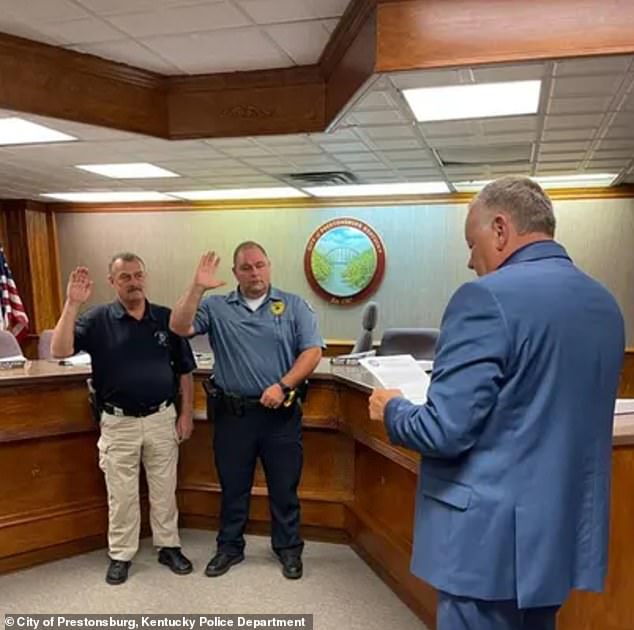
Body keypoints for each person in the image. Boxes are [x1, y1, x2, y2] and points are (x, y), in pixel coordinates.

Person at [368, 177, 625, 630]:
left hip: (487, 546)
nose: (471, 260)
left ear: (501, 229)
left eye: (473, 242)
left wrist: (392, 409)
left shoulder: (485, 298)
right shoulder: (604, 303)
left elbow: (443, 430)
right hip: (559, 533)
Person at [170, 241, 322, 580]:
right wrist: (196, 286)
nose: (255, 273)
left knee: (284, 486)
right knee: (233, 485)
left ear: (269, 265)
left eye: (260, 265)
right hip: (232, 414)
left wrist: (282, 385)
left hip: (280, 413)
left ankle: (287, 548)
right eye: (246, 267)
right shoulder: (217, 307)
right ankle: (229, 547)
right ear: (235, 273)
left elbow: (312, 352)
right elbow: (179, 327)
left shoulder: (294, 306)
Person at [51, 252, 195, 585]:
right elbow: (59, 351)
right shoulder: (97, 319)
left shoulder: (166, 319)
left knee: (164, 490)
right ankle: (121, 554)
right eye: (125, 277)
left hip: (162, 417)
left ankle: (168, 546)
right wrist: (72, 305)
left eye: (138, 275)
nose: (133, 282)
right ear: (112, 282)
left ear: (145, 277)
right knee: (122, 495)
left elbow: (185, 372)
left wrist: (186, 414)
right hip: (118, 422)